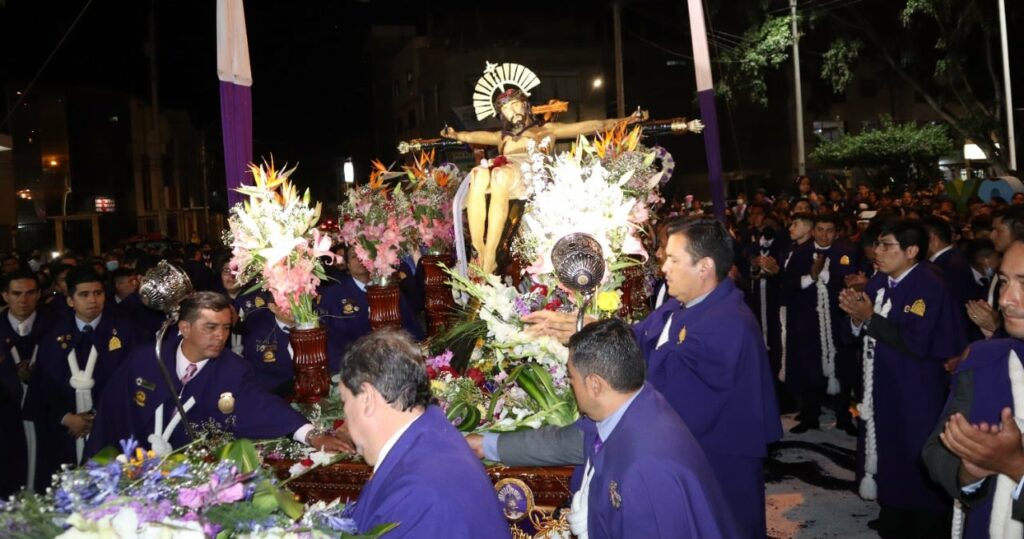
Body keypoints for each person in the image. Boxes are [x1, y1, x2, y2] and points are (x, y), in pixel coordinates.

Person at [488, 217, 782, 538]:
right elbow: (636, 339)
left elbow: (662, 394)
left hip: (717, 462)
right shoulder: (682, 306)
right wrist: (579, 324)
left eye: (673, 259)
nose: (663, 266)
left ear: (704, 266)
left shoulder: (726, 325)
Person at [86, 291, 348, 457]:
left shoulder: (233, 369)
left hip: (189, 473)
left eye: (225, 327)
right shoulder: (144, 360)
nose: (220, 336)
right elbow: (112, 412)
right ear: (185, 328)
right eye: (210, 327)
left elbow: (262, 406)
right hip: (131, 466)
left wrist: (311, 435)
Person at [441, 86, 671, 274]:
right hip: (508, 175)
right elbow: (470, 135)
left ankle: (490, 256)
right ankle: (479, 250)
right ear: (502, 116)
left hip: (531, 177)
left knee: (499, 175)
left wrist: (627, 120)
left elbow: (593, 126)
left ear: (526, 105)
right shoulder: (501, 137)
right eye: (506, 109)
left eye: (515, 104)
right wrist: (455, 135)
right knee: (478, 174)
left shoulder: (546, 131)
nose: (513, 112)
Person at [838, 219, 967, 537]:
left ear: (911, 251)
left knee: (914, 449)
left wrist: (868, 318)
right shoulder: (880, 279)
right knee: (888, 445)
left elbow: (915, 340)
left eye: (886, 246)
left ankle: (925, 519)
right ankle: (893, 509)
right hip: (883, 380)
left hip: (916, 384)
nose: (877, 252)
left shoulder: (928, 284)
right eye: (878, 245)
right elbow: (857, 330)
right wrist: (856, 318)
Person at [562, 318, 738, 538]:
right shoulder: (643, 400)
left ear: (595, 384)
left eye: (571, 377)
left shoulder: (641, 471)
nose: (570, 384)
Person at [341, 330, 509, 539]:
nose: (345, 418)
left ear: (367, 398)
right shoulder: (433, 435)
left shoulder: (414, 492)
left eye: (345, 402)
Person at [923, 241, 1024, 538]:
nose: (1005, 299)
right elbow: (935, 452)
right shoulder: (985, 360)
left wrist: (1016, 467)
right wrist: (971, 471)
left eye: (1023, 283)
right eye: (1003, 281)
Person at [24, 267, 137, 490]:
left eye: (98, 293)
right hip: (65, 433)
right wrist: (65, 417)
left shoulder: (126, 333)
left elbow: (132, 384)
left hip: (110, 428)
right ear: (70, 301)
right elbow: (42, 389)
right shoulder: (53, 338)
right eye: (84, 295)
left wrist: (96, 416)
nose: (92, 300)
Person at [782, 214, 857, 433]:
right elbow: (788, 284)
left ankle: (844, 416)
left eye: (830, 230)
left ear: (837, 232)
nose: (825, 235)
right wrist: (811, 277)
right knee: (810, 369)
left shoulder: (846, 252)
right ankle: (810, 416)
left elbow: (852, 281)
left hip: (838, 321)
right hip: (808, 322)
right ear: (813, 231)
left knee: (843, 369)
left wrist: (835, 280)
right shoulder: (800, 253)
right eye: (821, 230)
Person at [319, 245, 423, 370]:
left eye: (364, 254)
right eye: (354, 256)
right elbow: (331, 341)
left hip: (396, 364)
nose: (360, 259)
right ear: (347, 264)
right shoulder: (333, 294)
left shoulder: (390, 290)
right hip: (355, 368)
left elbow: (411, 327)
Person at [0, 270, 50, 492]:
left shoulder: (54, 327)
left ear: (39, 294)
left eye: (30, 293)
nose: (23, 300)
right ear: (5, 295)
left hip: (45, 417)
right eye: (17, 293)